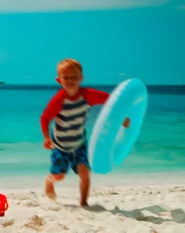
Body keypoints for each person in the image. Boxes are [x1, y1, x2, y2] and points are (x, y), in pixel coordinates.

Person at [40, 58, 129, 206]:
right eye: (66, 77)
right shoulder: (58, 101)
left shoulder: (87, 95)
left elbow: (111, 101)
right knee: (59, 176)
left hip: (80, 143)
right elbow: (45, 118)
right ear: (59, 80)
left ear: (81, 78)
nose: (70, 80)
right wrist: (46, 138)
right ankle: (49, 180)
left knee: (84, 173)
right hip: (60, 146)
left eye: (74, 76)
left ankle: (83, 203)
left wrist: (122, 118)